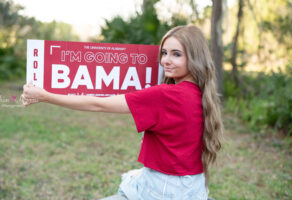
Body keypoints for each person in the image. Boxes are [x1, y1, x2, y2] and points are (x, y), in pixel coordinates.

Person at [22, 24, 223, 200]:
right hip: (194, 185)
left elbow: (98, 104)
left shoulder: (165, 95)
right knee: (132, 176)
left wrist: (45, 96)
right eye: (164, 53)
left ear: (195, 58)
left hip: (164, 190)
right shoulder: (201, 92)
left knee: (128, 180)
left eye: (176, 54)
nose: (166, 61)